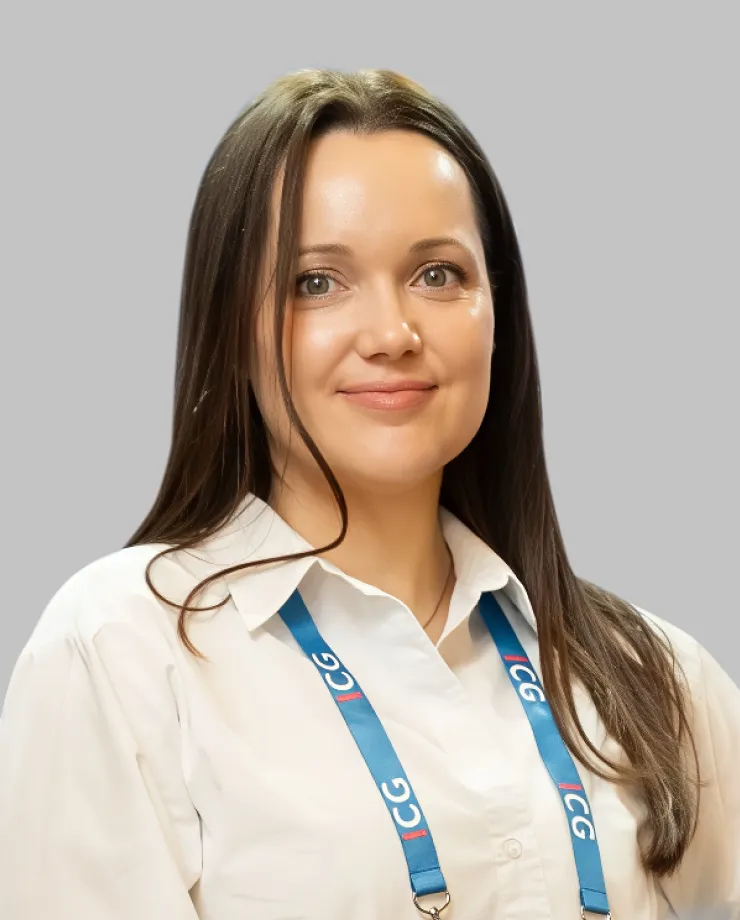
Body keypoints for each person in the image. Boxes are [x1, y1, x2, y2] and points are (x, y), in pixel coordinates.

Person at [0, 67, 738, 920]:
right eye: (316, 282)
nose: (392, 333)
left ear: (498, 311)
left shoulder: (653, 677)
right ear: (230, 326)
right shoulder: (123, 648)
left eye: (438, 274)